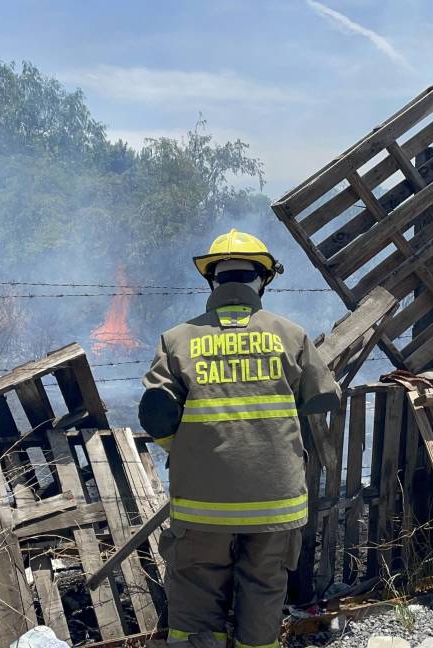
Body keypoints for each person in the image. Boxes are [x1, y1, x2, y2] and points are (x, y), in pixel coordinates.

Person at [139, 229, 341, 648]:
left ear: (212, 280)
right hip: (275, 504)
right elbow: (325, 397)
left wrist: (183, 451)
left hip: (202, 504)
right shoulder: (291, 335)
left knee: (195, 594)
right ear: (262, 279)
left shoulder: (176, 340)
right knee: (264, 590)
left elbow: (156, 415)